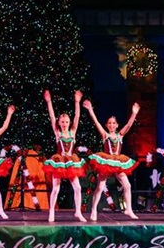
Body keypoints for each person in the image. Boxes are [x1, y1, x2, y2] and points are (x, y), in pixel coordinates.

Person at [82, 99, 141, 221]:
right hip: (106, 162)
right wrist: (90, 110)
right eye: (109, 123)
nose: (112, 125)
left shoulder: (120, 135)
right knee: (100, 186)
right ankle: (93, 210)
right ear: (107, 125)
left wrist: (134, 113)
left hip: (118, 162)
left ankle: (129, 209)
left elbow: (129, 125)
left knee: (127, 185)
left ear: (117, 125)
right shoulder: (105, 135)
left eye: (114, 123)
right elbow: (96, 122)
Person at [42, 90, 87, 224]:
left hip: (71, 162)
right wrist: (49, 101)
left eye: (66, 121)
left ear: (69, 122)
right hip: (59, 162)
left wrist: (77, 102)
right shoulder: (58, 133)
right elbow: (51, 116)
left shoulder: (73, 132)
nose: (64, 123)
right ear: (59, 123)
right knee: (56, 188)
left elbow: (77, 116)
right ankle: (51, 212)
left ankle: (78, 211)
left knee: (78, 187)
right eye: (62, 122)